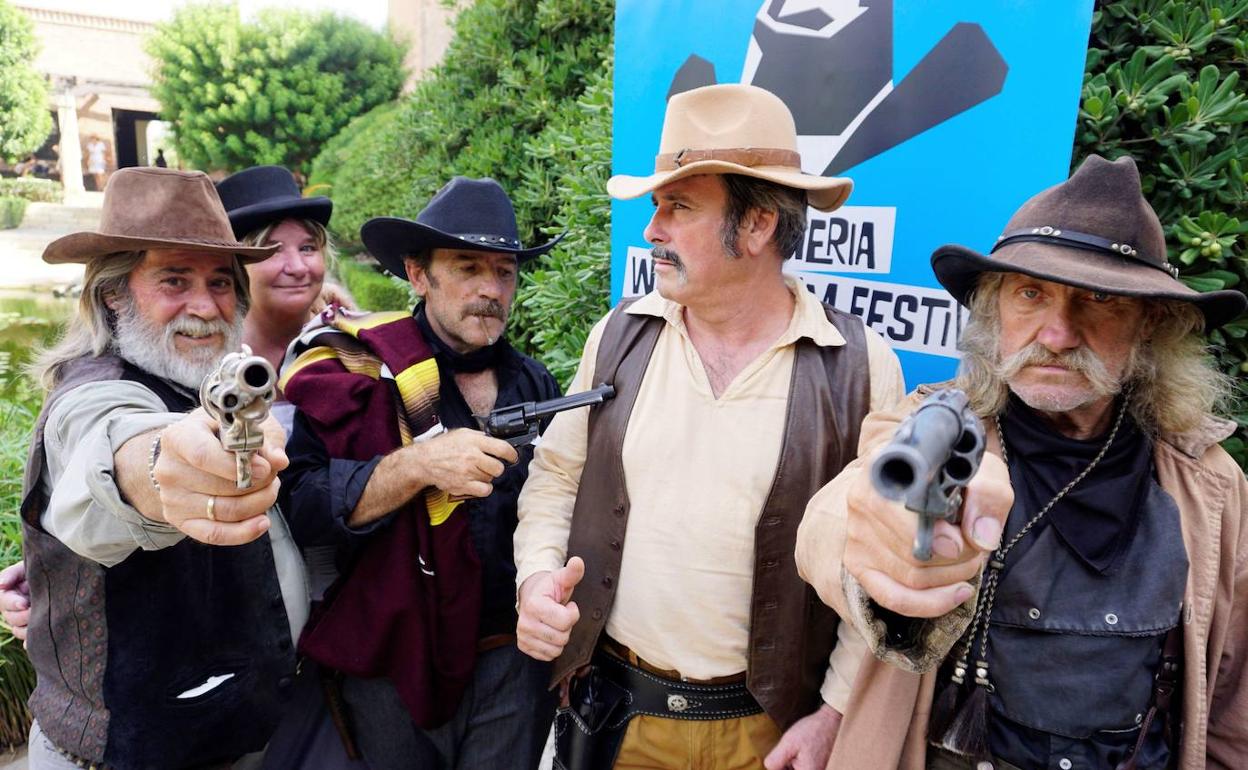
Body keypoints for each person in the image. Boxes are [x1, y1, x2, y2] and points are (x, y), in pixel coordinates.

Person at [795, 154, 1248, 769]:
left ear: (1150, 324)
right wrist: (881, 540)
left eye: (1099, 299)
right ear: (995, 312)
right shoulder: (932, 425)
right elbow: (838, 519)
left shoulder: (1210, 482)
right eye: (1031, 294)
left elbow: (1232, 701)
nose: (1057, 335)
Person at [512, 83, 905, 770]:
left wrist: (835, 713)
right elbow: (557, 478)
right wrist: (537, 578)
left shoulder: (859, 365)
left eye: (680, 207)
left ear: (757, 227)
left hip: (769, 735)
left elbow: (877, 566)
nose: (652, 230)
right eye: (657, 207)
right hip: (618, 720)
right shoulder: (618, 336)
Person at [18, 167, 307, 769]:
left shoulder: (201, 376)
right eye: (174, 279)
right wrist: (159, 470)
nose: (204, 306)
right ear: (112, 294)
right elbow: (113, 443)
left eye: (220, 282)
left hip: (229, 732)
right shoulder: (94, 393)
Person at [279, 176, 563, 770]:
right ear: (417, 274)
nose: (490, 289)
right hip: (391, 665)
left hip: (510, 662)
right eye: (467, 267)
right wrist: (417, 466)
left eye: (504, 272)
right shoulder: (358, 374)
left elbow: (560, 506)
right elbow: (303, 506)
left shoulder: (535, 383)